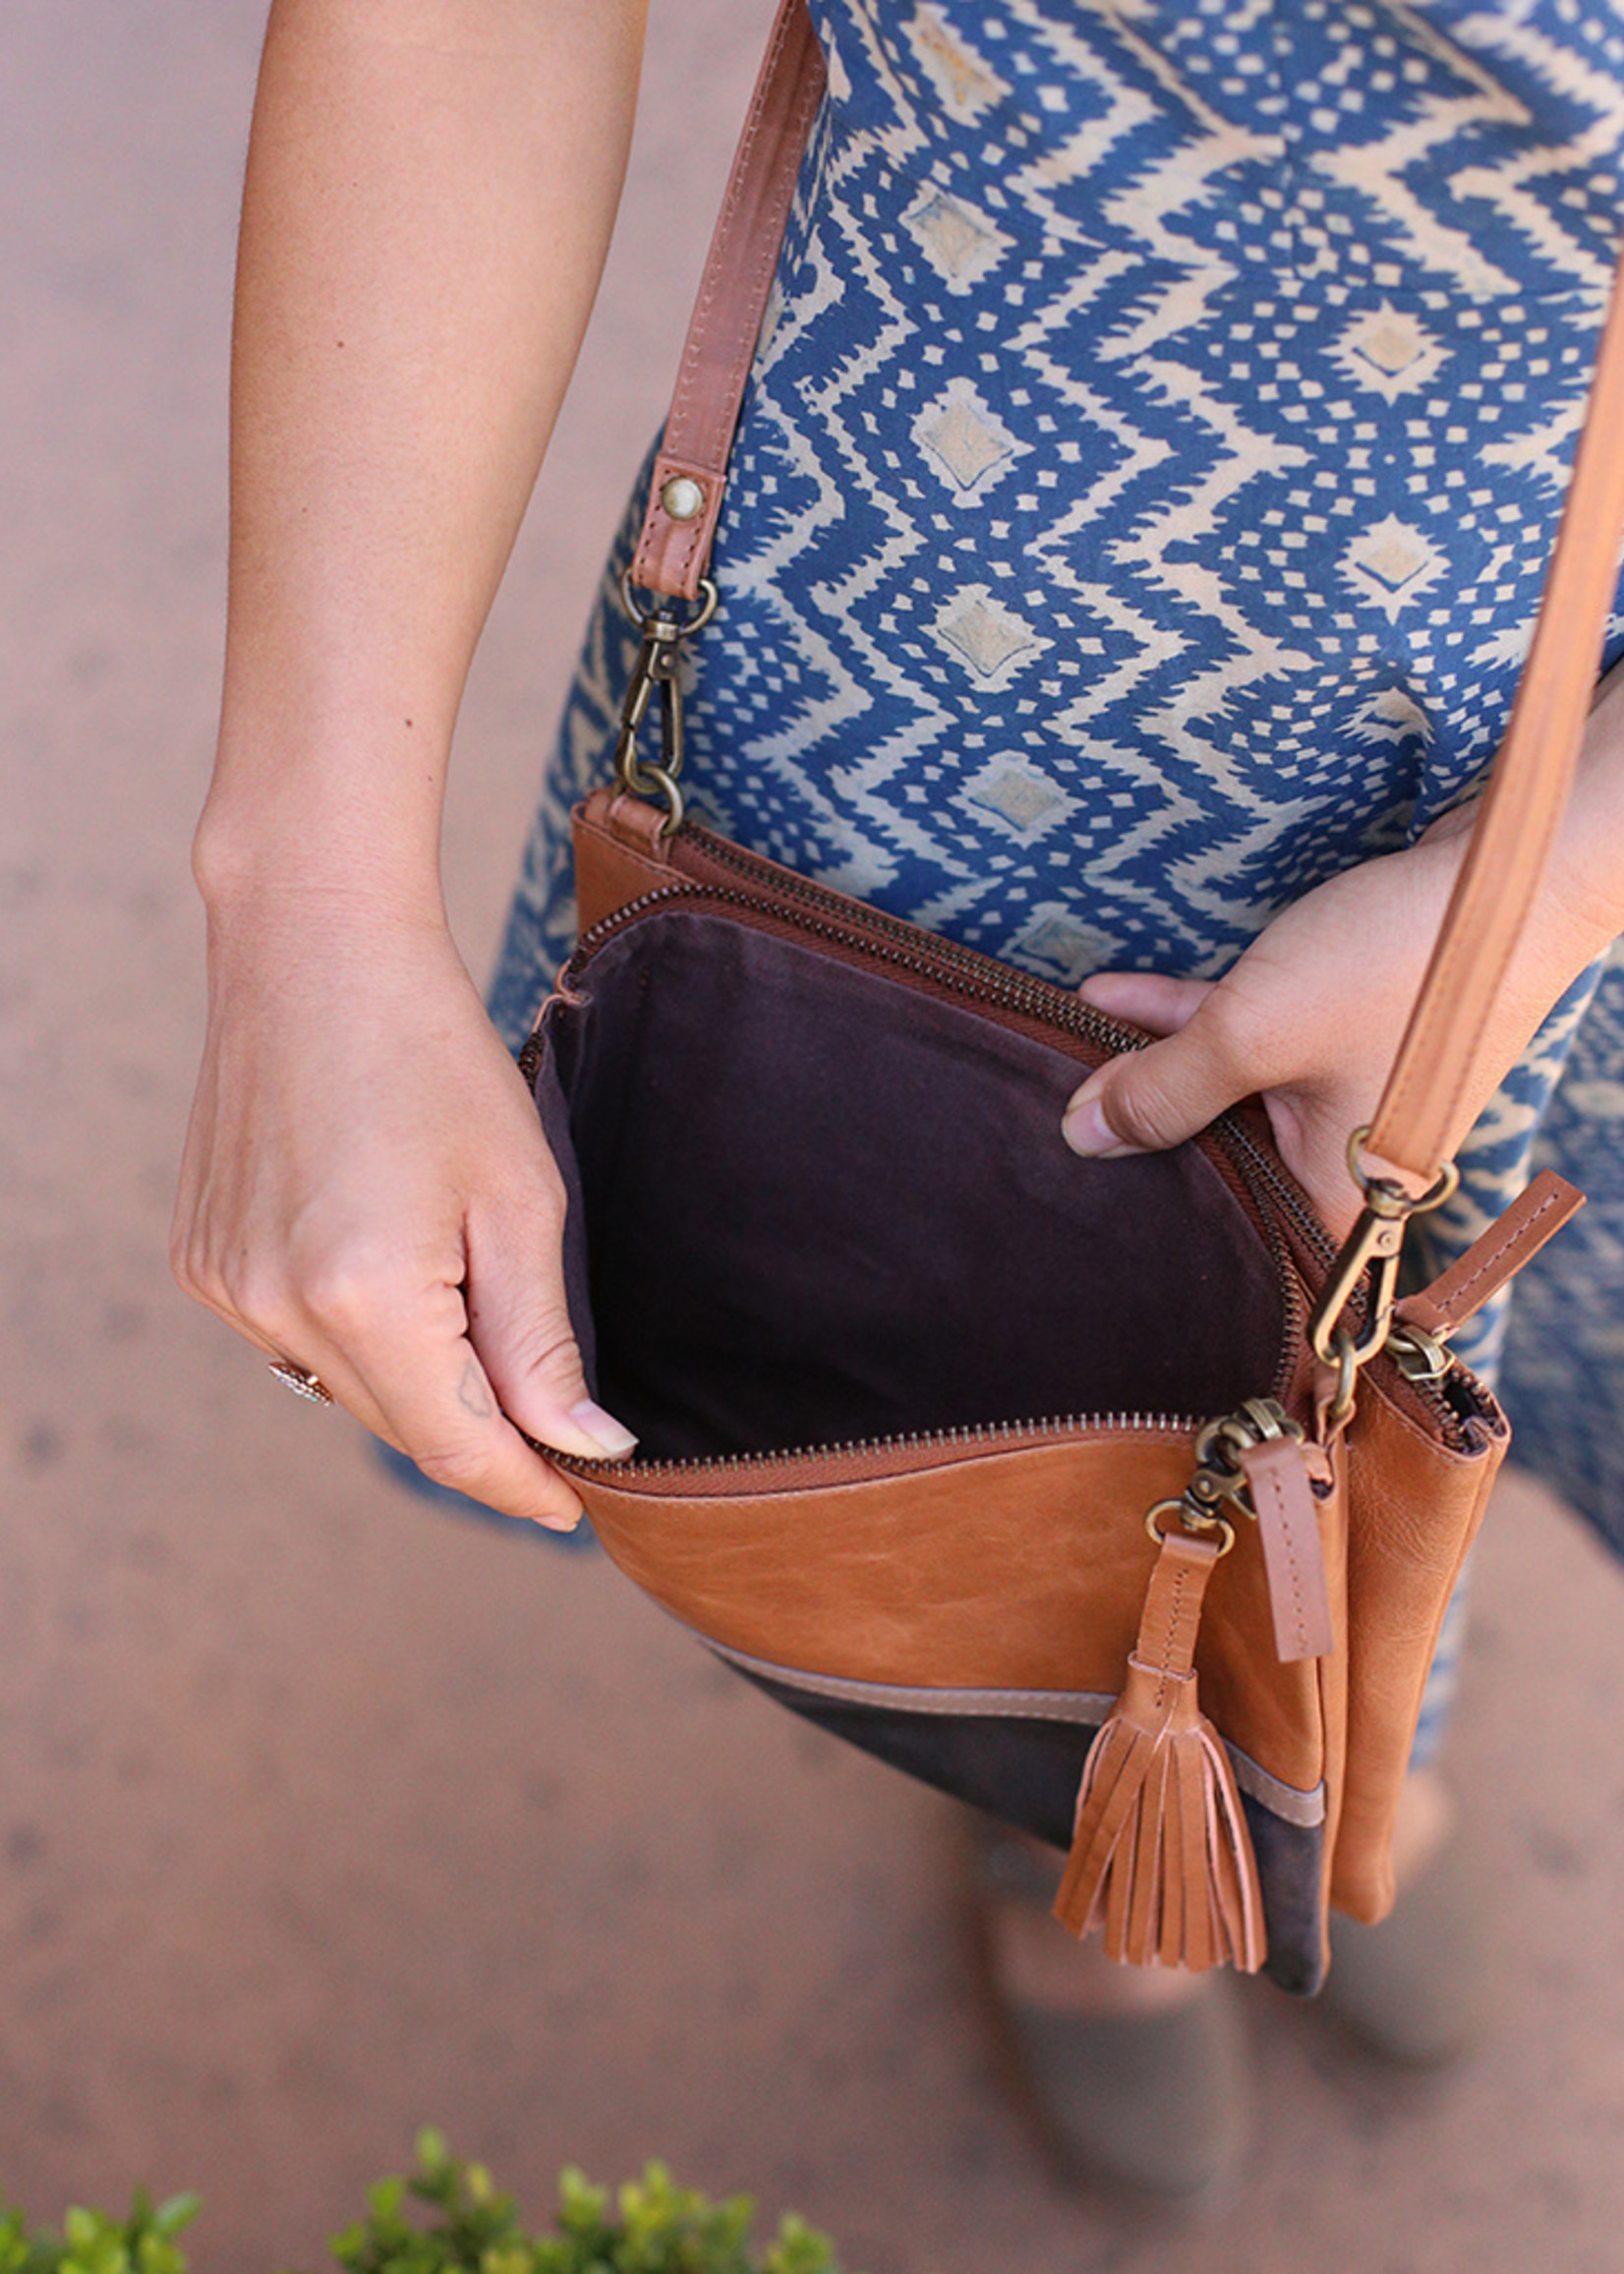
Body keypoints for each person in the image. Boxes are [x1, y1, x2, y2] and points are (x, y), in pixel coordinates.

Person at [174, 0, 1624, 2206]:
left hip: (1543, 792)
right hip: (917, 667)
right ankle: (1078, 1805)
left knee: (1380, 1386)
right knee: (945, 1383)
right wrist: (304, 901)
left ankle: (1298, 1744)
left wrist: (1564, 884)